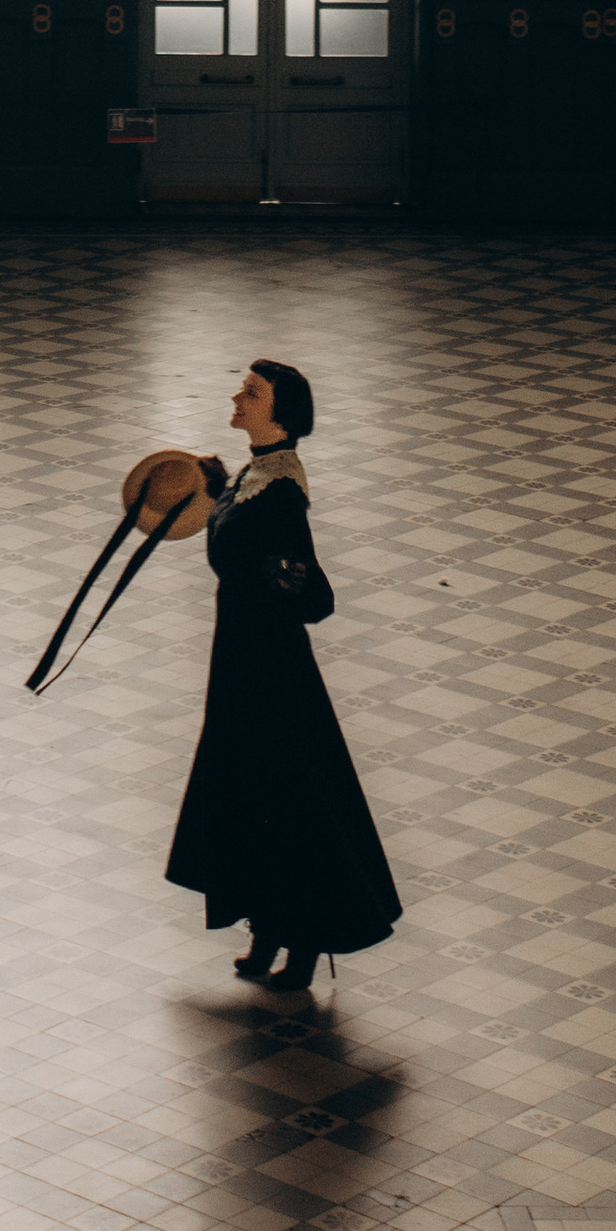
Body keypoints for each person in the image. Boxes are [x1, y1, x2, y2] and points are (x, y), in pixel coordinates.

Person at [164, 358, 400, 1003]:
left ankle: (302, 942)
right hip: (239, 658)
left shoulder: (282, 489)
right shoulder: (255, 473)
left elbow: (309, 590)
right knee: (249, 788)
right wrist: (213, 491)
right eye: (244, 388)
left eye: (253, 392)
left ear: (281, 414)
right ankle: (269, 928)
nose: (238, 397)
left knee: (287, 793)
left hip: (270, 665)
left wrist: (275, 574)